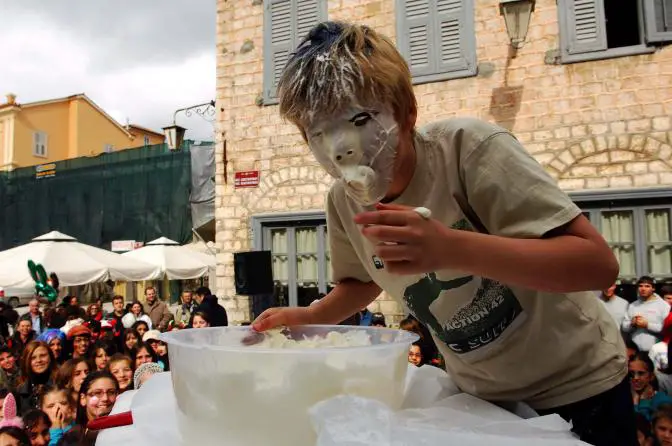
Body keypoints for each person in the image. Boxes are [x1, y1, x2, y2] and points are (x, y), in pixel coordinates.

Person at [252, 21, 633, 446]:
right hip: (482, 399)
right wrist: (311, 317)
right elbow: (361, 281)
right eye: (316, 134)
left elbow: (595, 264)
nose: (338, 147)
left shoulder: (469, 149)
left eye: (360, 119)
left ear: (407, 112)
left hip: (579, 386)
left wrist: (450, 248)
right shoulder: (342, 201)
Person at [623, 276, 670, 352]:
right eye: (640, 286)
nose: (643, 289)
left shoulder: (663, 306)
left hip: (656, 352)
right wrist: (632, 324)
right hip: (636, 352)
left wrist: (647, 325)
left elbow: (667, 329)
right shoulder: (633, 305)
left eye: (647, 286)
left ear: (653, 288)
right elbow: (624, 327)